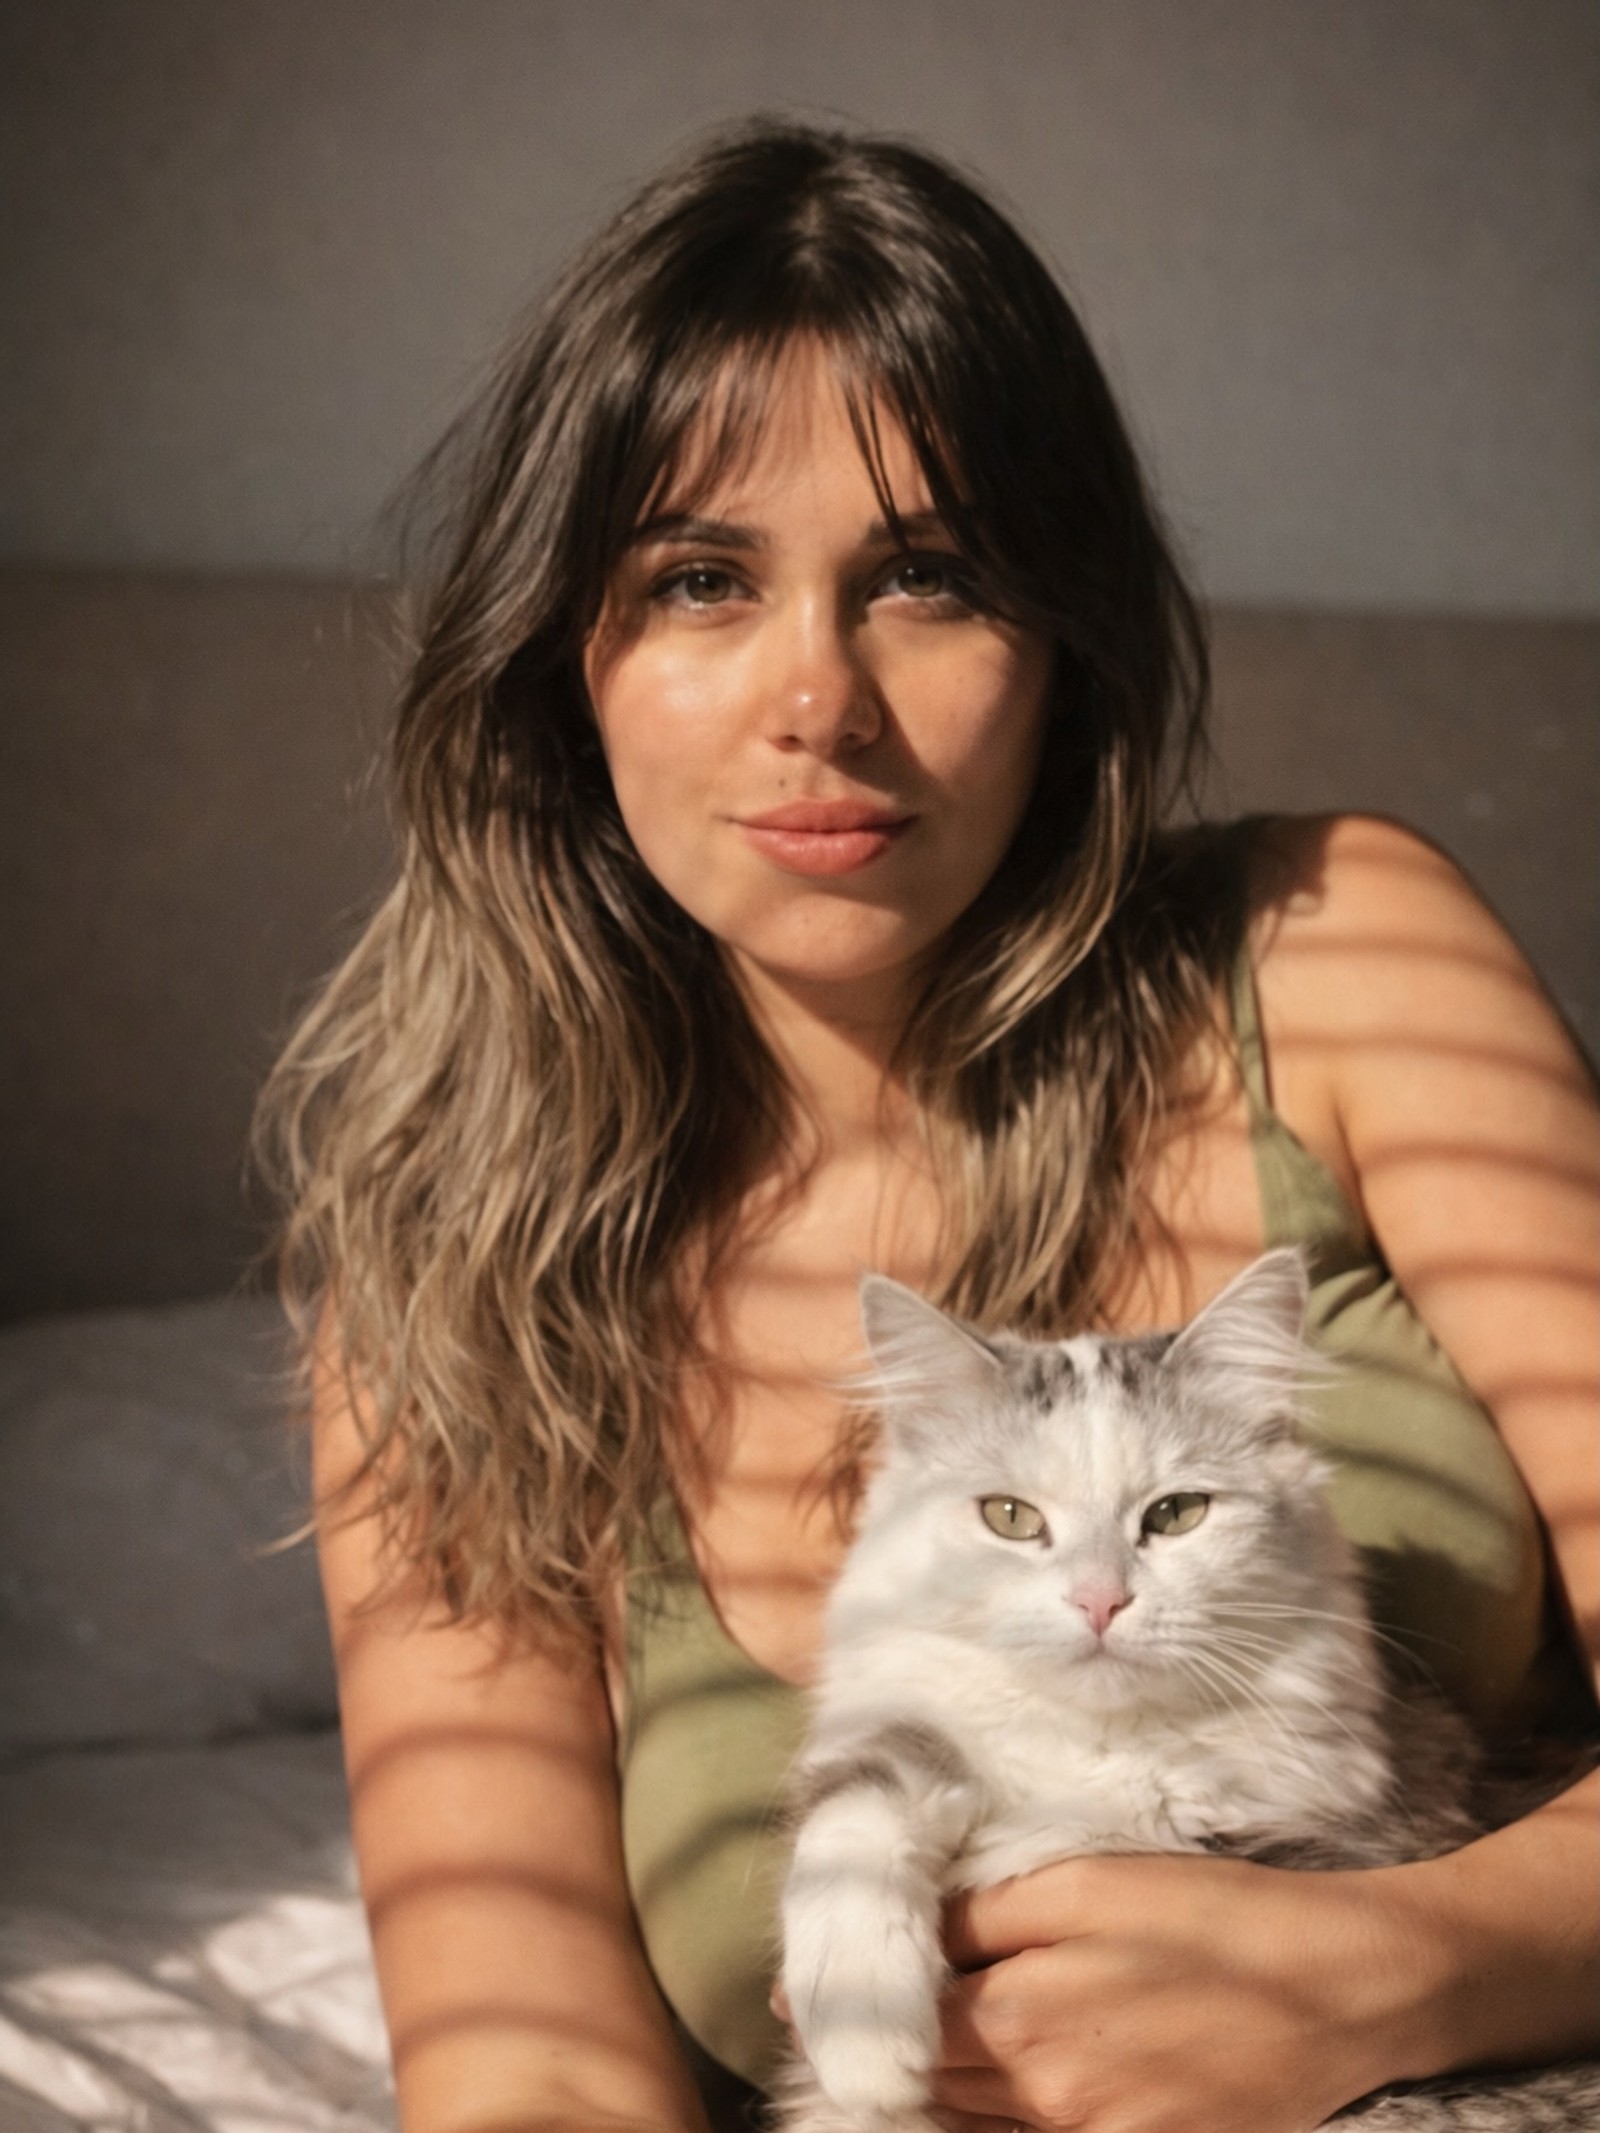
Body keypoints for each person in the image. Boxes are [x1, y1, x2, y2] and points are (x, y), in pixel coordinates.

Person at [258, 120, 1600, 2133]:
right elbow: (527, 2064)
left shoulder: (1335, 951)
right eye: (700, 580)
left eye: (926, 576)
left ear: (1062, 642)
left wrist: (1399, 1965)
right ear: (562, 661)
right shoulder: (448, 1298)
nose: (821, 699)